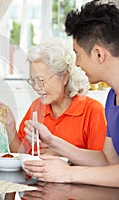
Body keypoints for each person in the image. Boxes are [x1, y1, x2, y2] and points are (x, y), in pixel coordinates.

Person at [23, 0, 119, 188]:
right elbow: (108, 161)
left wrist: (68, 173)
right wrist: (53, 141)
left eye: (78, 53)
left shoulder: (97, 107)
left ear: (99, 54)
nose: (76, 64)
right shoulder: (112, 98)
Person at [0, 38, 106, 156]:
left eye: (41, 80)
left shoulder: (93, 111)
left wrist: (62, 156)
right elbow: (20, 155)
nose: (36, 87)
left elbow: (101, 166)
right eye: (33, 80)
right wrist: (10, 126)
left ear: (64, 77)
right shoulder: (37, 107)